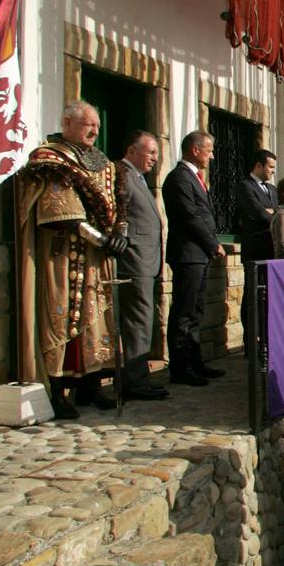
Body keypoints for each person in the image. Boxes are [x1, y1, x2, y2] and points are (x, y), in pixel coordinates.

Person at [15, 101, 124, 417]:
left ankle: (90, 386)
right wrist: (103, 238)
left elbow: (117, 202)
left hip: (95, 258)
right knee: (61, 317)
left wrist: (120, 230)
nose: (95, 130)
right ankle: (58, 391)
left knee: (95, 319)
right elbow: (62, 210)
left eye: (97, 126)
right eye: (89, 124)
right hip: (62, 254)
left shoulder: (102, 162)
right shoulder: (51, 158)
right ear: (67, 122)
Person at [162, 130, 226, 387]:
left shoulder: (195, 178)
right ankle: (180, 366)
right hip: (188, 252)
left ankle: (195, 360)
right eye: (209, 150)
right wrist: (213, 244)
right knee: (184, 311)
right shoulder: (179, 178)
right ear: (195, 150)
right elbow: (190, 216)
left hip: (199, 254)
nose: (211, 156)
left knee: (196, 310)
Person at [112, 130, 168, 402]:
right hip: (134, 261)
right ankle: (135, 381)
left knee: (144, 321)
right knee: (138, 322)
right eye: (150, 152)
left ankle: (138, 376)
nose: (155, 159)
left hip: (147, 260)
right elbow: (118, 212)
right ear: (132, 150)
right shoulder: (121, 174)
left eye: (157, 153)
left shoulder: (139, 178)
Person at [237, 149, 278, 346]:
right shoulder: (245, 186)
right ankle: (251, 342)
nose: (272, 171)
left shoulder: (272, 190)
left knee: (269, 298)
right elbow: (258, 214)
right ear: (259, 165)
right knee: (253, 297)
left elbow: (279, 212)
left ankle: (267, 339)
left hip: (272, 251)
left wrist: (273, 213)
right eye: (270, 167)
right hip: (255, 249)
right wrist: (272, 214)